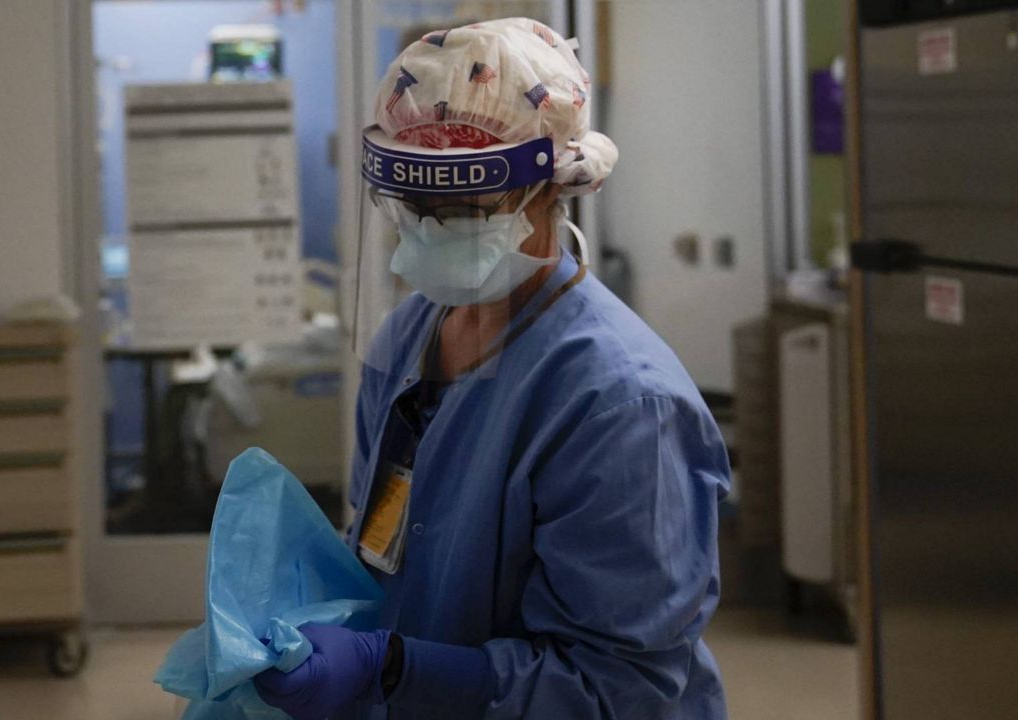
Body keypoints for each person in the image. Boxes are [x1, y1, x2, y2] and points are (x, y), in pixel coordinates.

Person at [254, 17, 729, 720]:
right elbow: (383, 545)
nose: (431, 230)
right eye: (413, 208)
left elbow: (616, 691)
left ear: (549, 189)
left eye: (465, 208)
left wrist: (390, 669)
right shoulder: (408, 338)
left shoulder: (620, 405)